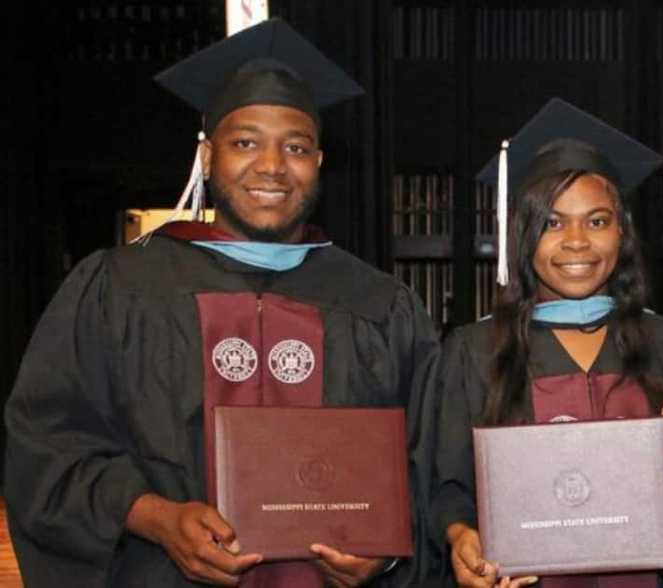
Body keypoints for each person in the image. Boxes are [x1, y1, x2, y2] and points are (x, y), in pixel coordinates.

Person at [5, 19, 441, 588]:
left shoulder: (381, 306)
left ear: (319, 163)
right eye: (245, 143)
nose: (271, 166)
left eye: (297, 147)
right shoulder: (119, 289)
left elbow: (432, 469)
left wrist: (384, 553)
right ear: (207, 157)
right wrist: (154, 517)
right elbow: (48, 448)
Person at [430, 98, 663, 588]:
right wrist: (461, 536)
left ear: (622, 232)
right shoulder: (474, 351)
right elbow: (448, 486)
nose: (577, 241)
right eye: (553, 223)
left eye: (597, 221)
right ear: (522, 235)